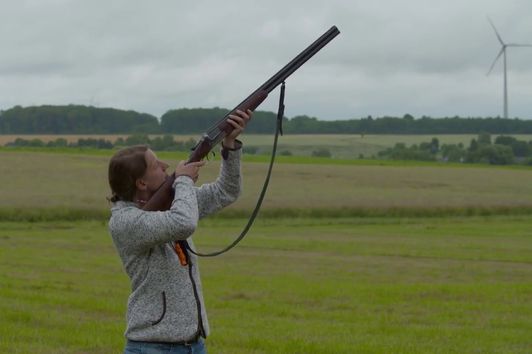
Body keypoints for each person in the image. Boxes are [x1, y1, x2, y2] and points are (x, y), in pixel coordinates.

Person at [107, 109, 252, 354]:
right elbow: (184, 223)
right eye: (155, 165)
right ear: (141, 183)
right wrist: (183, 180)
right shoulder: (125, 222)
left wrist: (230, 145)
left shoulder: (171, 202)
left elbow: (225, 192)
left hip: (194, 346)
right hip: (152, 348)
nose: (165, 165)